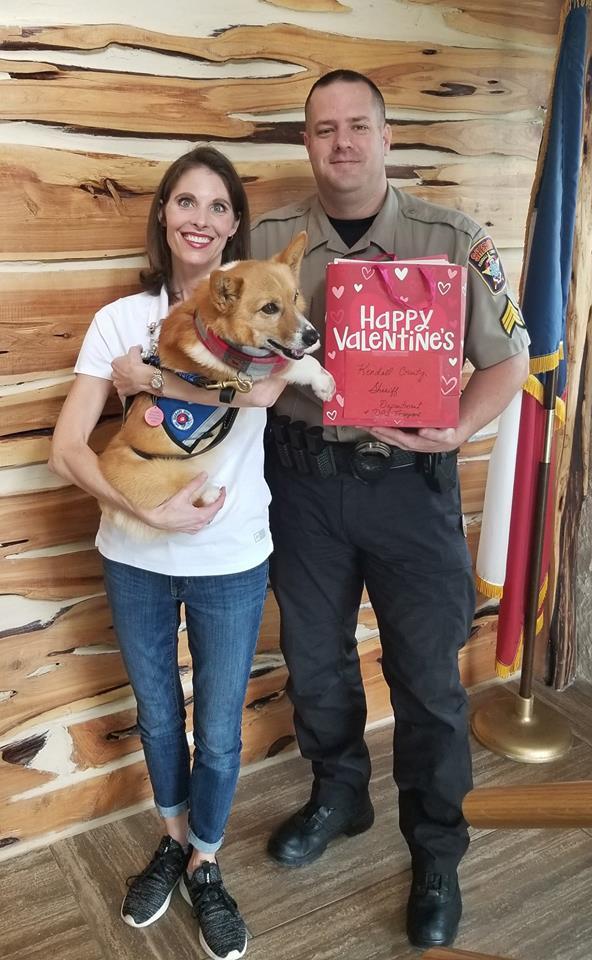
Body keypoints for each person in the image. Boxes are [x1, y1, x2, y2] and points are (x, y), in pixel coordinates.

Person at [250, 70, 530, 950]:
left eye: (357, 126)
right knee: (317, 664)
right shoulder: (269, 241)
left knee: (429, 683)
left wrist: (459, 432)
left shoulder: (453, 239)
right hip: (302, 486)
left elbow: (510, 358)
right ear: (307, 142)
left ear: (385, 133)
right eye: (324, 129)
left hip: (411, 493)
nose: (342, 144)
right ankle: (339, 796)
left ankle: (436, 849)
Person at [50, 145, 285, 960]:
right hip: (135, 558)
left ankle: (208, 866)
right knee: (159, 718)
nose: (201, 219)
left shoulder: (266, 312)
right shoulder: (118, 319)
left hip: (232, 560)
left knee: (220, 730)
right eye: (186, 202)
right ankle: (175, 840)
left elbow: (254, 389)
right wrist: (145, 507)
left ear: (234, 226)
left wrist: (146, 377)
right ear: (163, 215)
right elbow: (67, 449)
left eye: (219, 207)